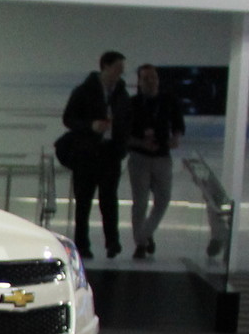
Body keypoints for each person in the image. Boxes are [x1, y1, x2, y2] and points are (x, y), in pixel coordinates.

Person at [61, 52, 128, 258]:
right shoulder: (84, 91)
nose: (120, 73)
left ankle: (112, 242)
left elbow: (127, 120)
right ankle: (82, 244)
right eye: (117, 68)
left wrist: (121, 144)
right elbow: (69, 118)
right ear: (105, 67)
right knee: (84, 201)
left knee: (109, 200)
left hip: (110, 153)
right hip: (87, 154)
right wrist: (91, 126)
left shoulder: (121, 93)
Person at [123, 63, 186, 259]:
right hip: (139, 157)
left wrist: (174, 138)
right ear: (139, 82)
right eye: (146, 78)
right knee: (140, 202)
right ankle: (140, 242)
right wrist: (141, 143)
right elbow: (123, 134)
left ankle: (144, 234)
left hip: (162, 156)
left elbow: (178, 125)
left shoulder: (169, 101)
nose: (151, 81)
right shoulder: (132, 104)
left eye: (154, 78)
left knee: (163, 198)